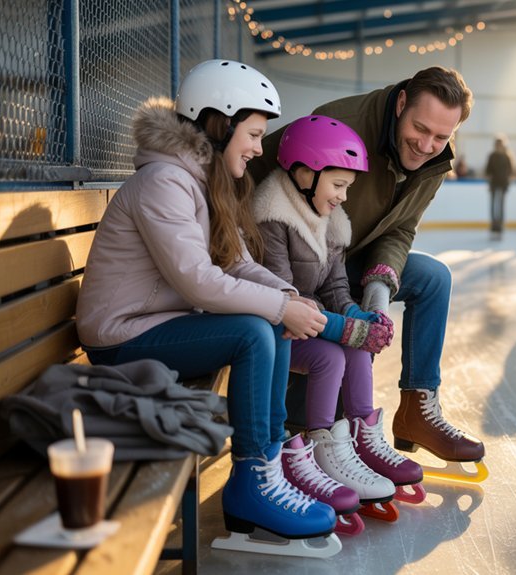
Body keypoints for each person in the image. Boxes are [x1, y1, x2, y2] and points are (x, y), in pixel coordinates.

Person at [75, 59, 338, 556]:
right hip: (119, 337)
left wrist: (287, 298)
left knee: (271, 318)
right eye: (255, 134)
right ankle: (250, 483)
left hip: (158, 324)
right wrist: (278, 309)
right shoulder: (164, 183)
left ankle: (269, 461)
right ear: (220, 123)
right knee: (255, 331)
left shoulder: (201, 181)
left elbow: (235, 263)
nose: (261, 148)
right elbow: (197, 281)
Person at [250, 66, 487, 482]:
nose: (428, 144)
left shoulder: (434, 161)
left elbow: (401, 228)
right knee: (339, 349)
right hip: (298, 259)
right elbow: (256, 165)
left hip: (347, 259)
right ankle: (318, 433)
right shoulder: (342, 125)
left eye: (441, 136)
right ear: (400, 105)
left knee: (433, 278)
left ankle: (416, 407)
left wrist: (379, 287)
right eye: (420, 128)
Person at [252, 115, 427, 534]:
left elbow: (333, 286)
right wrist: (340, 327)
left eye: (347, 187)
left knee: (353, 344)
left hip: (309, 324)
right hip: (275, 329)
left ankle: (360, 439)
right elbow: (283, 294)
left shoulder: (331, 222)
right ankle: (320, 447)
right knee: (332, 354)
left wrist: (355, 316)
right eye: (338, 185)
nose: (343, 197)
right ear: (303, 174)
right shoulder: (271, 219)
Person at [484, 135, 516, 239]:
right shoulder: (492, 156)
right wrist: (489, 182)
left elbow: (511, 171)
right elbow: (488, 171)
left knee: (501, 205)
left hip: (503, 184)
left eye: (500, 144)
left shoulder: (507, 156)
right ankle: (494, 225)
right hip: (493, 184)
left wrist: (508, 181)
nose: (499, 146)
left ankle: (500, 225)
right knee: (493, 205)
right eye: (497, 144)